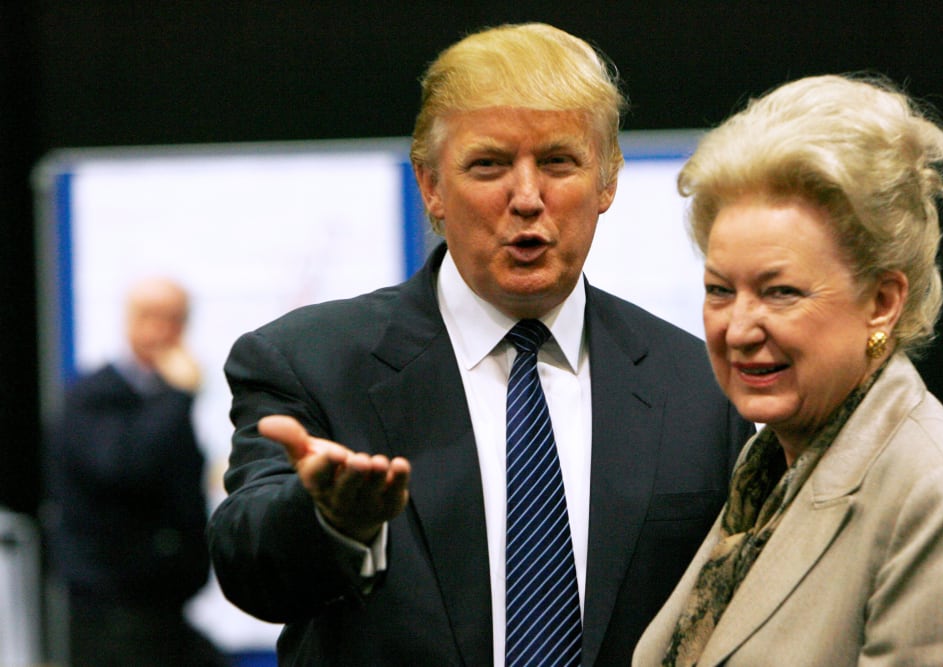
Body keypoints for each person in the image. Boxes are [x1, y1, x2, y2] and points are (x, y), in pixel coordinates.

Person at [207, 22, 754, 666]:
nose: (526, 199)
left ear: (608, 181)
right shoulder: (310, 363)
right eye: (488, 165)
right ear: (431, 186)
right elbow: (249, 569)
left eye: (558, 162)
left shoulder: (704, 386)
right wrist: (330, 521)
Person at [633, 74, 943, 666]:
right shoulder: (766, 473)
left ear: (882, 301)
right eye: (720, 290)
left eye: (780, 292)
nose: (739, 328)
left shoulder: (939, 489)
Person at [45, 277, 228, 667]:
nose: (161, 331)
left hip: (167, 604)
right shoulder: (92, 397)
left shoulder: (162, 401)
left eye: (175, 319)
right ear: (128, 320)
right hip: (111, 607)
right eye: (149, 316)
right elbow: (121, 468)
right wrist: (177, 396)